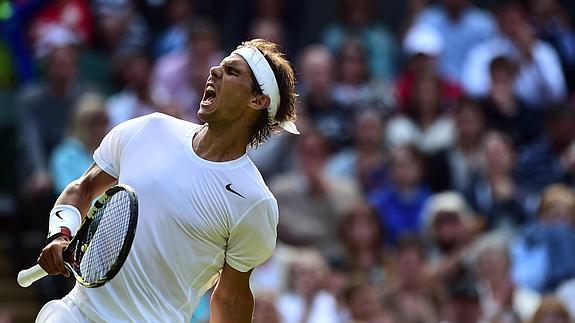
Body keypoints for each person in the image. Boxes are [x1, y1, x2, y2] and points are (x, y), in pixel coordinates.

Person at [34, 38, 299, 322]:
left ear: (257, 100)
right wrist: (61, 234)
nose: (214, 71)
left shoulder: (254, 202)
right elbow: (83, 187)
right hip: (75, 314)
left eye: (232, 71)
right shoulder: (149, 129)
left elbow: (230, 296)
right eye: (220, 65)